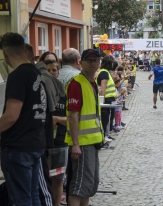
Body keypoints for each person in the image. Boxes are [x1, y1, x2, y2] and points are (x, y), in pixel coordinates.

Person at [0, 33, 47, 205]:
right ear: (24, 49)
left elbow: (11, 116)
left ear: (5, 54)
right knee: (33, 196)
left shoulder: (18, 76)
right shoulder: (36, 73)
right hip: (35, 144)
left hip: (17, 147)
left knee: (21, 199)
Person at [65, 49, 103, 206]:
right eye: (90, 60)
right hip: (82, 143)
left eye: (96, 60)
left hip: (92, 142)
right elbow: (72, 115)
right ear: (81, 62)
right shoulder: (76, 83)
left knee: (87, 186)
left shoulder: (91, 83)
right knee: (78, 186)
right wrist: (75, 144)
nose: (93, 63)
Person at [45, 59, 69, 206]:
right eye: (49, 70)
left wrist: (57, 119)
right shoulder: (39, 94)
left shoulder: (64, 95)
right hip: (43, 145)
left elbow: (73, 119)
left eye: (54, 70)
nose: (52, 73)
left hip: (61, 144)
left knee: (58, 179)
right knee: (42, 179)